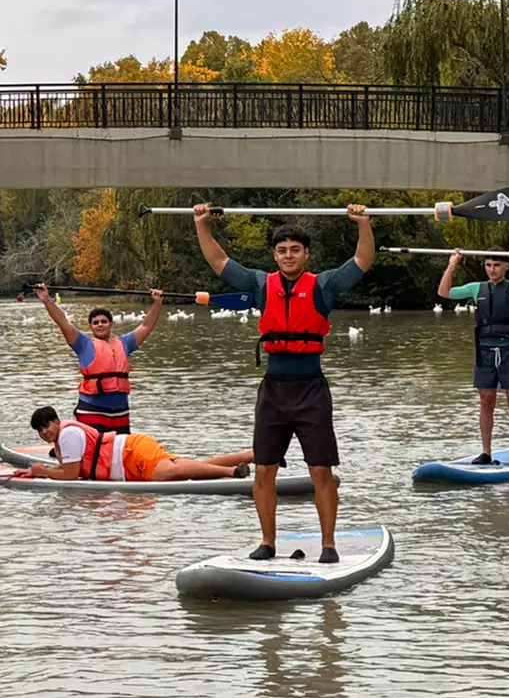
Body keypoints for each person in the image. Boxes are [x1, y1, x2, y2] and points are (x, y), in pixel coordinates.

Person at [194, 202, 373, 564]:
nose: (288, 255)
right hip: (274, 390)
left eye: (295, 250)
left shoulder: (323, 285)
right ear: (275, 256)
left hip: (311, 390)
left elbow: (362, 262)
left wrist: (363, 225)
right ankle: (267, 543)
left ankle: (328, 545)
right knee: (264, 469)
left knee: (320, 470)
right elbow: (219, 263)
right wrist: (203, 227)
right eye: (282, 250)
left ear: (306, 254)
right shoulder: (261, 284)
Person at [438, 249, 509, 465]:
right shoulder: (476, 288)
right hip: (484, 352)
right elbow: (444, 292)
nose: (492, 270)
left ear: (506, 267)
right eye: (488, 265)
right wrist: (452, 264)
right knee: (486, 401)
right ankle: (486, 452)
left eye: (496, 265)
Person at [32, 282, 165, 436]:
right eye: (95, 323)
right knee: (94, 455)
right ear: (91, 327)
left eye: (104, 322)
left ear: (110, 324)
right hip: (92, 411)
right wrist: (47, 300)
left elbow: (146, 326)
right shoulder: (83, 344)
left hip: (120, 413)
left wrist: (157, 302)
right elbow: (63, 322)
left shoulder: (124, 344)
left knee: (120, 454)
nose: (100, 325)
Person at [21, 405, 253, 482]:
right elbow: (67, 469)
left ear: (57, 422)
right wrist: (33, 471)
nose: (44, 433)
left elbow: (70, 475)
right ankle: (254, 455)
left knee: (172, 472)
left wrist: (43, 472)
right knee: (192, 466)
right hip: (130, 452)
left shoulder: (67, 435)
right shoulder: (65, 435)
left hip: (129, 456)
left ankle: (232, 472)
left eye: (46, 427)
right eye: (39, 431)